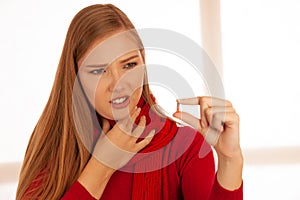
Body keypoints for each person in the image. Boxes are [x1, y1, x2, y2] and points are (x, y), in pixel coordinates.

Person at [16, 4, 243, 200]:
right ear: (74, 78)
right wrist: (101, 166)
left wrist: (230, 159)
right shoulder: (55, 147)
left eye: (129, 65)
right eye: (98, 70)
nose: (118, 84)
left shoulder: (183, 147)